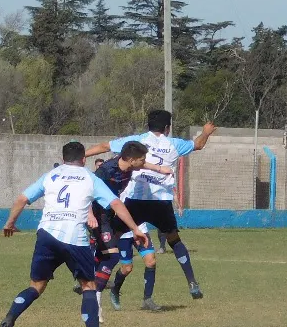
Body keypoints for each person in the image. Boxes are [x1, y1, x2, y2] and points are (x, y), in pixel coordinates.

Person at [0, 140, 149, 327]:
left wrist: (10, 223)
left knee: (36, 286)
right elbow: (115, 204)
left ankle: (10, 317)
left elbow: (22, 198)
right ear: (83, 159)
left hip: (47, 235)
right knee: (89, 286)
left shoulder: (52, 175)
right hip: (74, 239)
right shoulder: (90, 178)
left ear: (64, 157)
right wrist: (135, 229)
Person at [85, 110, 218, 308]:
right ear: (167, 128)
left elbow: (105, 146)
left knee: (112, 239)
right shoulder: (174, 144)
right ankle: (191, 281)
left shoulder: (136, 141)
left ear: (148, 125)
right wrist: (206, 132)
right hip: (160, 201)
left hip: (135, 200)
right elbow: (198, 144)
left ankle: (91, 276)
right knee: (173, 239)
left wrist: (80, 157)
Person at [94, 141, 167, 312]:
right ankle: (91, 283)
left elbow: (143, 163)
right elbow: (89, 189)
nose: (143, 163)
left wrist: (160, 169)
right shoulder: (106, 170)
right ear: (131, 159)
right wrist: (90, 214)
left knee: (150, 260)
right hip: (106, 217)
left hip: (131, 221)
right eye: (141, 160)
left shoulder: (133, 172)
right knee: (118, 261)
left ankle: (147, 299)